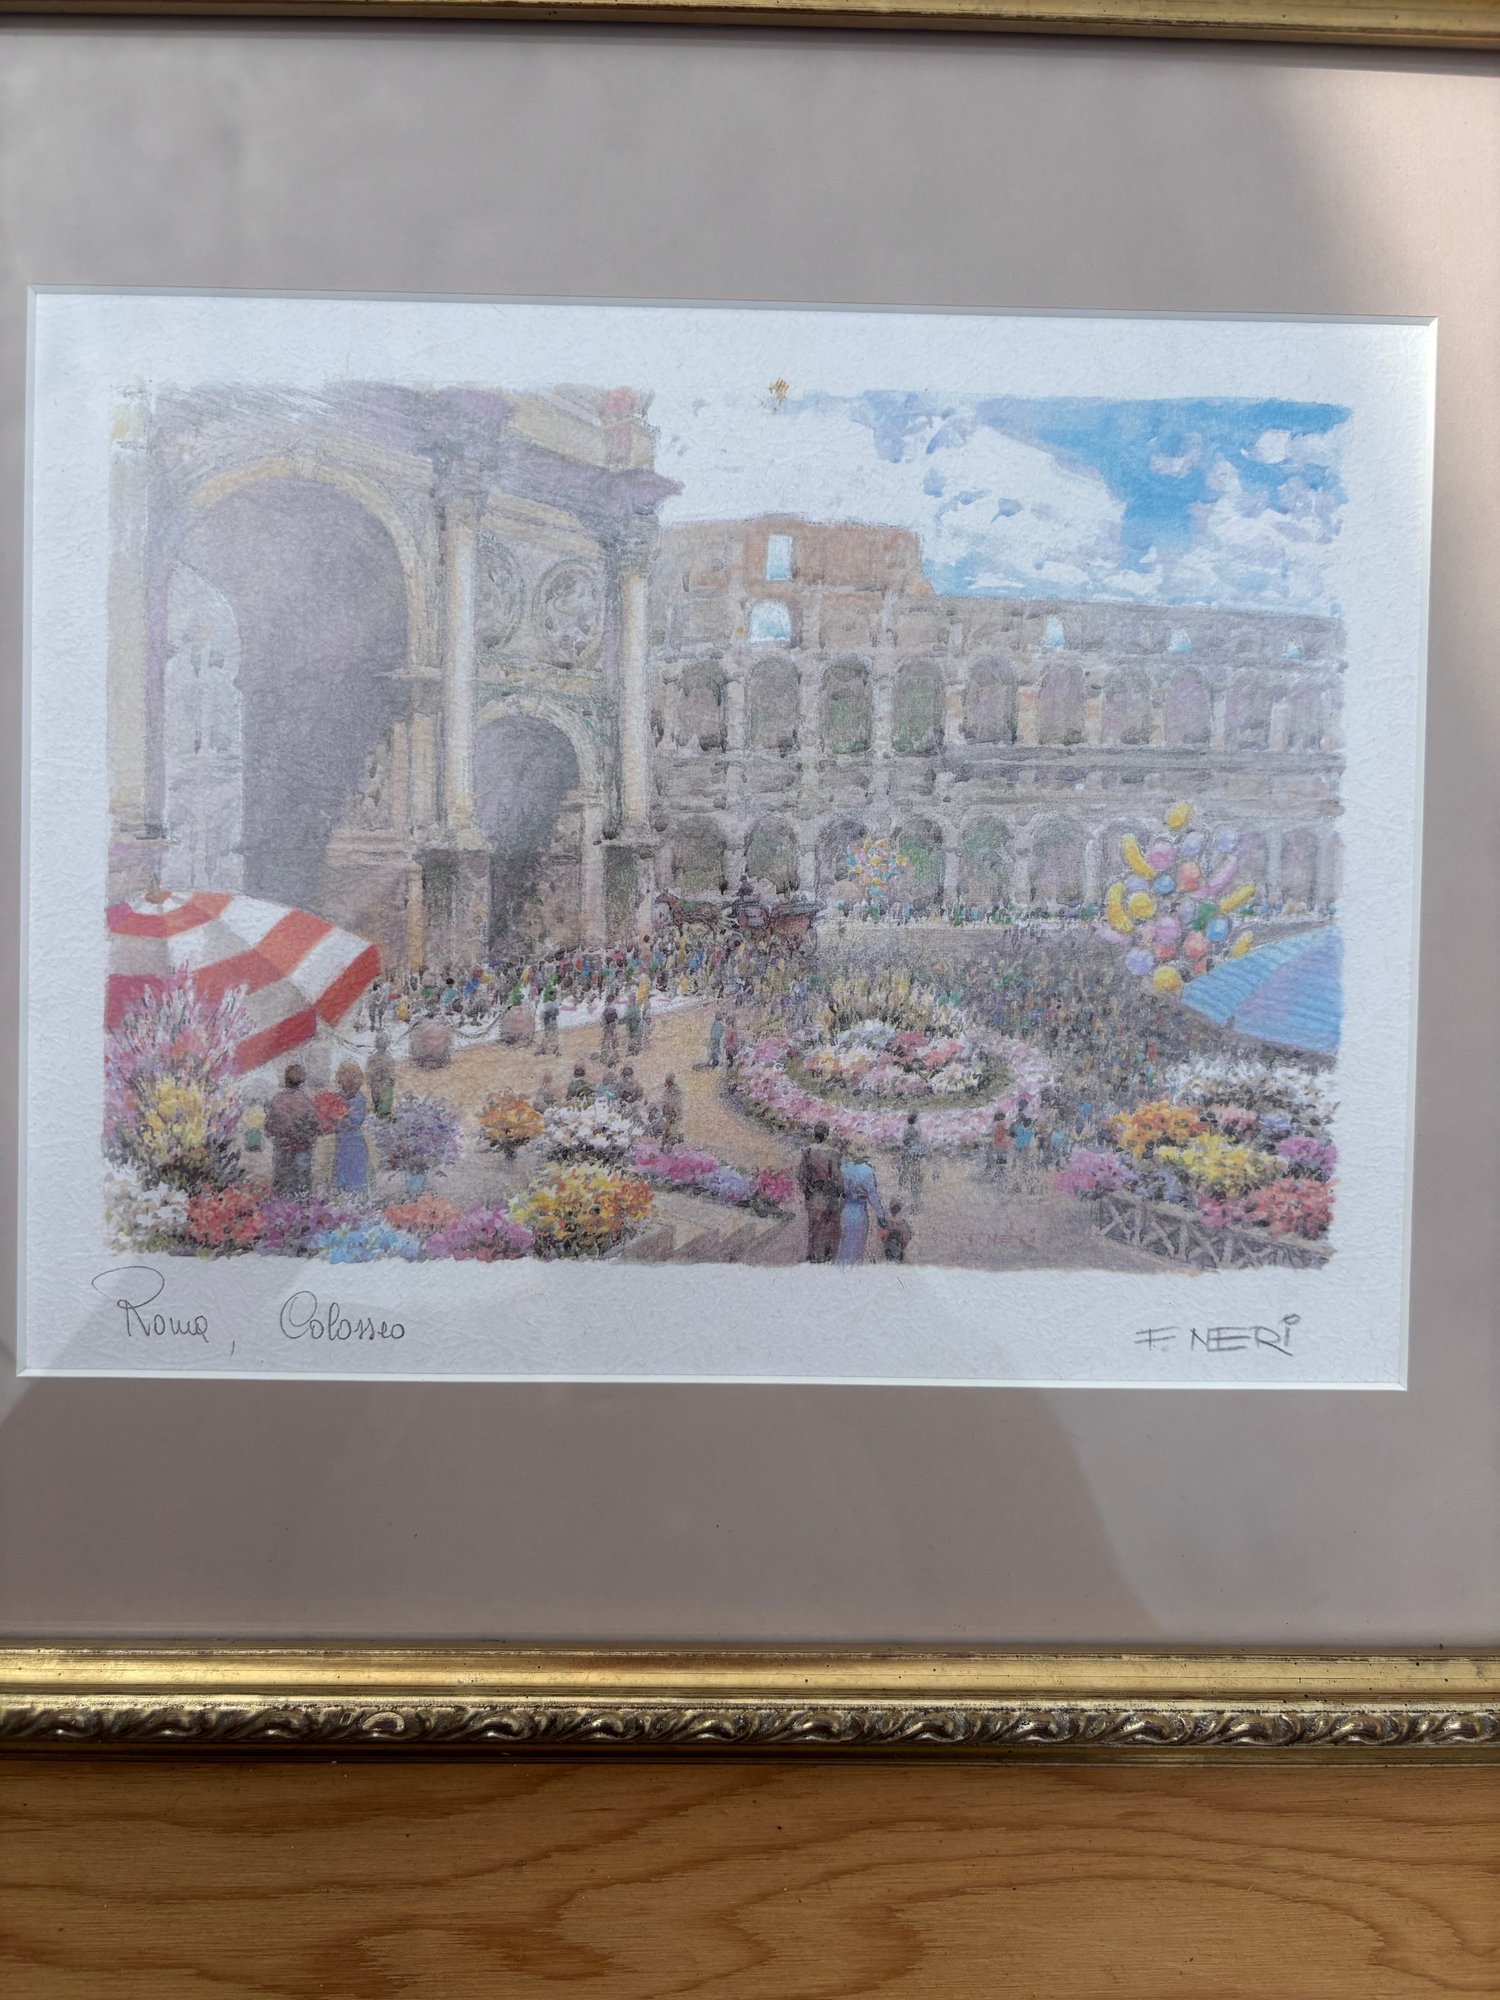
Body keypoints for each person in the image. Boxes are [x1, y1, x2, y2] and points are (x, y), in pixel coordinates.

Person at [265, 1063, 320, 1196]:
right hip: (302, 1148)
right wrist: (308, 1138)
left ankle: (279, 1204)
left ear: (285, 1080)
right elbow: (314, 1125)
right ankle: (302, 1204)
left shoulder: (278, 1100)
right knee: (302, 1183)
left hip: (282, 1147)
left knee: (282, 1181)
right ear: (302, 1081)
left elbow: (269, 1126)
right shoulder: (305, 1102)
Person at [798, 1121, 843, 1265]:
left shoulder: (807, 1151)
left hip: (814, 1194)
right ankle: (826, 1255)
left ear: (815, 1134)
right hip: (829, 1195)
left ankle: (813, 1255)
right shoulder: (833, 1152)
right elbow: (836, 1176)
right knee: (829, 1225)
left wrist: (807, 1191)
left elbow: (801, 1175)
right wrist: (839, 1191)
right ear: (827, 1134)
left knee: (814, 1226)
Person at [837, 1151, 884, 1265]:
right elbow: (872, 1195)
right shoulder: (867, 1171)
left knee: (844, 1245)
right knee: (857, 1246)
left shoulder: (843, 1168)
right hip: (859, 1212)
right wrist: (880, 1215)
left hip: (845, 1210)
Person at [332, 1060, 369, 1194]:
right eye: (343, 1075)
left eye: (349, 1075)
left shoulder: (359, 1098)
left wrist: (339, 1118)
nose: (345, 1079)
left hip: (354, 1141)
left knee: (356, 1174)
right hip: (341, 1141)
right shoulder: (337, 1096)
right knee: (341, 1171)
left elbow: (356, 1120)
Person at [897, 1110, 928, 1213]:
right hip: (915, 1159)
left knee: (907, 1182)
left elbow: (904, 1141)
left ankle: (912, 1205)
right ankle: (916, 1206)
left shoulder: (907, 1130)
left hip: (908, 1159)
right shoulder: (916, 1130)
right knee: (916, 1183)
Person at [365, 1032, 396, 1119]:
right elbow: (369, 1074)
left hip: (381, 1086)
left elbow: (369, 1074)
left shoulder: (373, 1059)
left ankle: (381, 1115)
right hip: (380, 1086)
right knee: (381, 1105)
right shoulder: (389, 1059)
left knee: (381, 1105)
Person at [659, 1073, 684, 1147]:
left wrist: (675, 1113)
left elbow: (678, 1102)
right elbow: (663, 1100)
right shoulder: (665, 1089)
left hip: (674, 1113)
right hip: (667, 1113)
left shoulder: (676, 1090)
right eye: (667, 1081)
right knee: (666, 1128)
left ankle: (675, 1142)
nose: (668, 1082)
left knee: (674, 1129)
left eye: (669, 1081)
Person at [538, 987, 561, 1056]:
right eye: (551, 994)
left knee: (553, 1035)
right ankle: (545, 1049)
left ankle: (555, 1050)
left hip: (552, 1022)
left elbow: (557, 1013)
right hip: (549, 1022)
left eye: (554, 994)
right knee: (549, 1035)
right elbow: (543, 1015)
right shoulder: (546, 1004)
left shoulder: (554, 1003)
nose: (554, 995)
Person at [600, 996, 620, 1063]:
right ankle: (613, 1058)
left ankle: (605, 1058)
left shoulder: (606, 1010)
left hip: (608, 1027)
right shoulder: (613, 1010)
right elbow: (616, 1020)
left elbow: (603, 1020)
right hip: (611, 1027)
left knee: (607, 1042)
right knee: (612, 1043)